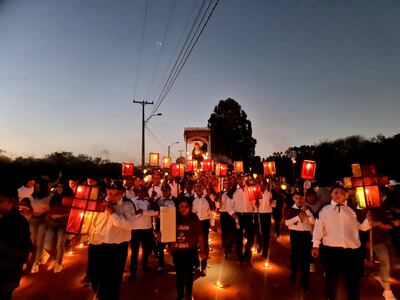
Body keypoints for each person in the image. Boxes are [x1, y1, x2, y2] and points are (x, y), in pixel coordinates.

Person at [312, 185, 370, 300]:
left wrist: (369, 219)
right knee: (331, 279)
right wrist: (315, 245)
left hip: (352, 251)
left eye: (341, 192)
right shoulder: (324, 210)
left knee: (353, 280)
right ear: (331, 195)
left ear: (347, 195)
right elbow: (318, 229)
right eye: (335, 192)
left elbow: (362, 227)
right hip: (331, 251)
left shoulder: (352, 210)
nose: (338, 195)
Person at [88, 182, 143, 300]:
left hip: (117, 247)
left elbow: (128, 225)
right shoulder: (99, 202)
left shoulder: (128, 205)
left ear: (121, 193)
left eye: (115, 194)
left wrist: (113, 213)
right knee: (94, 276)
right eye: (109, 193)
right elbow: (91, 221)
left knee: (113, 279)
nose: (111, 196)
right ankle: (101, 295)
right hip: (97, 244)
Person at [0, 183, 32, 300]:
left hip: (7, 272)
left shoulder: (19, 222)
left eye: (1, 201)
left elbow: (23, 248)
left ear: (11, 201)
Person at [171, 197, 206, 300]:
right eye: (181, 206)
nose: (183, 209)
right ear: (178, 207)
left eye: (186, 207)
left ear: (190, 208)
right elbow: (165, 231)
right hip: (177, 252)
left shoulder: (194, 218)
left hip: (190, 251)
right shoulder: (173, 218)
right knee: (179, 275)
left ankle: (189, 294)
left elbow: (200, 235)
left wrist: (202, 250)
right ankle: (180, 296)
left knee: (189, 274)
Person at [285, 191, 315, 292]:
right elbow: (287, 223)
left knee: (305, 259)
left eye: (301, 198)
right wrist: (298, 217)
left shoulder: (308, 209)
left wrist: (307, 212)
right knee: (295, 255)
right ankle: (293, 272)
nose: (299, 200)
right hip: (295, 235)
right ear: (293, 198)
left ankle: (304, 282)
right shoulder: (291, 209)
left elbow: (313, 222)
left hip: (306, 235)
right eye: (297, 198)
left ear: (304, 199)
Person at [130, 186, 158, 279]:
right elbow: (134, 213)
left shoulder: (149, 201)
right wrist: (146, 212)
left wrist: (143, 212)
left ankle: (145, 266)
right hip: (135, 229)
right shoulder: (133, 201)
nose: (142, 193)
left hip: (147, 228)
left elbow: (155, 212)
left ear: (146, 192)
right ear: (138, 192)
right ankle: (133, 270)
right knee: (134, 251)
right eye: (140, 191)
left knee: (146, 250)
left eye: (144, 191)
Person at [228, 175, 255, 267]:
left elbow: (253, 202)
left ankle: (247, 255)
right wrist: (233, 215)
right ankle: (240, 259)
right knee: (238, 238)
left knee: (251, 237)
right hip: (238, 216)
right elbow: (229, 205)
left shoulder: (250, 189)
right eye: (239, 178)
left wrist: (255, 204)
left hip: (248, 215)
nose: (241, 180)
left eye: (243, 178)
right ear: (237, 180)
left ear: (245, 179)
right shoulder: (233, 191)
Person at [43, 182, 70, 273]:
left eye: (61, 186)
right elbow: (50, 209)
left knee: (60, 244)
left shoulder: (69, 197)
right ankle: (51, 255)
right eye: (57, 186)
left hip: (63, 223)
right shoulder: (53, 197)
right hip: (52, 222)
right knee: (48, 244)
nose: (59, 188)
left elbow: (72, 211)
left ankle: (59, 263)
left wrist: (61, 215)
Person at [30, 179, 52, 273]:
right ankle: (45, 254)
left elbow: (51, 209)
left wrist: (46, 215)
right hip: (33, 219)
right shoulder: (32, 196)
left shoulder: (49, 196)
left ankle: (36, 263)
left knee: (39, 241)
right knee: (34, 241)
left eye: (39, 187)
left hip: (44, 220)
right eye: (36, 187)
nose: (37, 188)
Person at [155, 183, 176, 271]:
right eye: (163, 190)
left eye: (166, 190)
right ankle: (160, 265)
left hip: (172, 227)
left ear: (170, 190)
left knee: (173, 248)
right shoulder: (158, 201)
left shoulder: (175, 200)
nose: (165, 192)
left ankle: (176, 263)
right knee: (160, 247)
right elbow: (155, 214)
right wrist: (156, 229)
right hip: (161, 227)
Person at [192, 182, 211, 275]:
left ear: (203, 188)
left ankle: (203, 266)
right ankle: (195, 265)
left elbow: (211, 213)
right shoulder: (191, 199)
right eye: (197, 187)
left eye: (200, 187)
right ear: (194, 188)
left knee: (204, 245)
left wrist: (212, 224)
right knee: (194, 245)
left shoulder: (207, 199)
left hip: (204, 223)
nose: (199, 188)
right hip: (195, 224)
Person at [255, 179, 275, 259]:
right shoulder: (256, 193)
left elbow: (273, 205)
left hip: (267, 215)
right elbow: (253, 203)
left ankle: (265, 251)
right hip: (258, 214)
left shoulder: (270, 193)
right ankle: (260, 245)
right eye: (261, 184)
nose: (262, 186)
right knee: (258, 232)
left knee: (266, 234)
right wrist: (255, 204)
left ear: (266, 185)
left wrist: (272, 202)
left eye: (264, 184)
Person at [219, 179, 235, 260]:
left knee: (231, 231)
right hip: (224, 214)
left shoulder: (233, 193)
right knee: (224, 231)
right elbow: (217, 207)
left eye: (228, 183)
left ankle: (229, 246)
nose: (227, 185)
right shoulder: (220, 193)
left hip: (231, 214)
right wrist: (218, 203)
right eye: (225, 183)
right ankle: (225, 248)